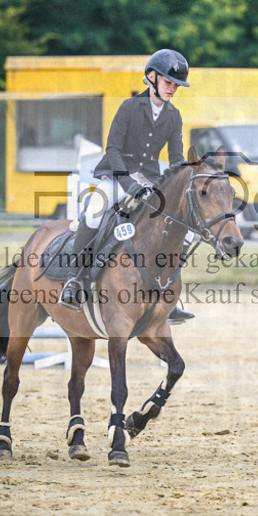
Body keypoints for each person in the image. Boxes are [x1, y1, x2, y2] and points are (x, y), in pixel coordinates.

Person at [59, 49, 193, 322]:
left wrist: (178, 185)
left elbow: (177, 159)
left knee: (181, 228)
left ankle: (166, 292)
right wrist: (129, 184)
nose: (173, 89)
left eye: (176, 85)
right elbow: (113, 149)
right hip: (118, 174)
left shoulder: (174, 116)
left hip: (152, 178)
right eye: (169, 82)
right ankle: (74, 280)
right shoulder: (129, 107)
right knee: (96, 212)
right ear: (152, 78)